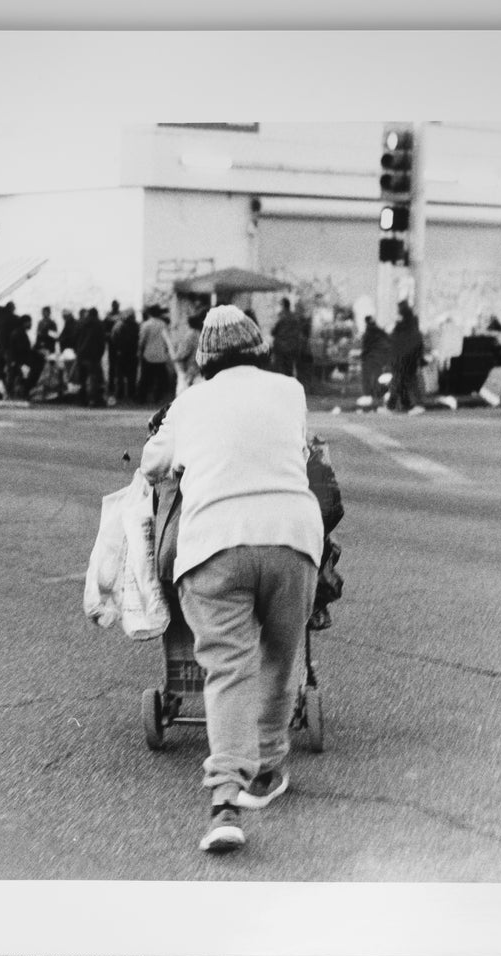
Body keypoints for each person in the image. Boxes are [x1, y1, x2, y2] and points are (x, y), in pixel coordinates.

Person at [141, 305, 324, 853]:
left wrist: (179, 457)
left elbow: (153, 464)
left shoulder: (189, 402)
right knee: (277, 658)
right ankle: (266, 770)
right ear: (260, 350)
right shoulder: (290, 392)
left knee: (227, 669)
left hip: (214, 545)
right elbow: (300, 447)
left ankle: (225, 800)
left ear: (204, 360)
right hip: (292, 539)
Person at [387, 300, 426, 414]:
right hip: (409, 357)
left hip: (402, 357)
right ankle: (404, 404)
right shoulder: (412, 323)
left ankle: (394, 405)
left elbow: (395, 340)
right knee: (404, 381)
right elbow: (417, 340)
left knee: (400, 381)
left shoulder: (402, 324)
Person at [270, 298, 311, 388]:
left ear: (283, 306)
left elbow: (273, 331)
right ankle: (290, 386)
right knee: (289, 368)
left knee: (280, 368)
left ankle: (281, 387)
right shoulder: (295, 317)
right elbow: (299, 332)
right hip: (293, 347)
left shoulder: (282, 317)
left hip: (281, 346)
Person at [136, 305, 173, 404]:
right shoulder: (163, 324)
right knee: (160, 379)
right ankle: (158, 397)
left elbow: (142, 340)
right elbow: (167, 340)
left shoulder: (146, 325)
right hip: (160, 355)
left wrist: (139, 351)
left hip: (148, 354)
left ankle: (142, 398)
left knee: (145, 378)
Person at [358, 309, 394, 406]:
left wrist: (362, 356)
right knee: (378, 375)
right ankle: (378, 393)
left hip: (372, 358)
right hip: (383, 357)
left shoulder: (368, 333)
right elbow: (389, 341)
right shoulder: (380, 331)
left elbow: (366, 347)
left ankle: (369, 394)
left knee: (368, 376)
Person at [75, 308, 107, 407]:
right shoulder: (99, 324)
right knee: (94, 378)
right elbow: (102, 341)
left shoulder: (81, 323)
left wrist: (78, 351)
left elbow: (75, 338)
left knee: (82, 379)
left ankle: (82, 400)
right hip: (93, 355)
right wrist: (100, 354)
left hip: (81, 354)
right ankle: (93, 400)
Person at [109, 306, 140, 404]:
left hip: (121, 354)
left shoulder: (119, 325)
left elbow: (113, 338)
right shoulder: (136, 326)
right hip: (133, 354)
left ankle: (120, 393)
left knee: (120, 375)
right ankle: (131, 393)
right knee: (132, 376)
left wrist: (117, 349)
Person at [169, 311, 203, 399]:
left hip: (189, 372)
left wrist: (169, 346)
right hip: (199, 370)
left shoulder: (190, 335)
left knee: (183, 399)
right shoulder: (201, 334)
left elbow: (180, 355)